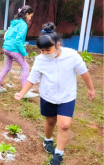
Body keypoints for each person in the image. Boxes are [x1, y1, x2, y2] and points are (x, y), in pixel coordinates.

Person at [14, 23, 96, 165]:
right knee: (50, 121)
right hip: (48, 95)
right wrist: (21, 93)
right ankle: (48, 140)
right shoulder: (40, 60)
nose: (45, 53)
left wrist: (91, 89)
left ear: (58, 44)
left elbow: (83, 72)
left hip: (67, 96)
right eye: (42, 50)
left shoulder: (71, 55)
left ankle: (58, 154)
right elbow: (33, 78)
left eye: (48, 49)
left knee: (64, 125)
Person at [0, 5, 35, 98]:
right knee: (26, 67)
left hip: (6, 48)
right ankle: (25, 91)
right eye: (30, 16)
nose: (30, 18)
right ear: (27, 14)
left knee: (7, 67)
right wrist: (24, 53)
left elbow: (8, 36)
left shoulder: (14, 22)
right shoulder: (23, 25)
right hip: (13, 49)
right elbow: (18, 41)